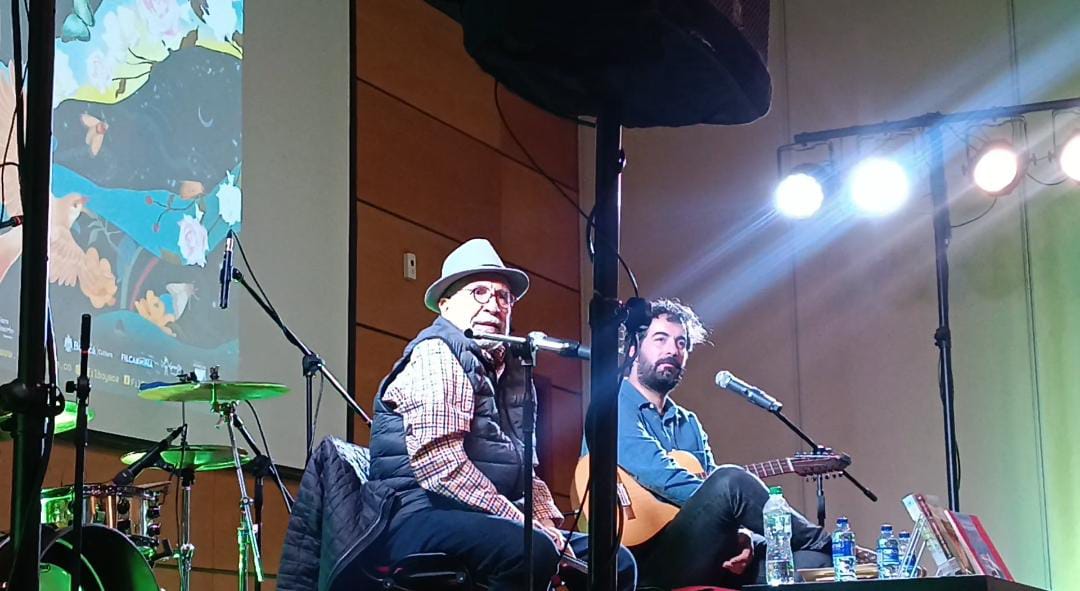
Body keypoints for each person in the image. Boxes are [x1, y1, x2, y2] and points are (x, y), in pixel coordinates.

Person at [366, 238, 637, 591]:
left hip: (485, 517)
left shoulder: (515, 371)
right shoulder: (437, 354)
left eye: (503, 297)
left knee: (613, 562)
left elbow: (530, 475)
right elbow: (440, 468)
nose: (495, 305)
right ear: (446, 305)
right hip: (418, 515)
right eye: (479, 292)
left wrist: (551, 527)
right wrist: (526, 524)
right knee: (531, 550)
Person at [616, 298, 833, 589]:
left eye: (682, 343)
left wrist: (742, 535)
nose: (673, 350)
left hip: (704, 553)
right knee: (730, 480)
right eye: (660, 339)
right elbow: (662, 475)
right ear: (633, 348)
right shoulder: (613, 408)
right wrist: (725, 494)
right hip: (643, 563)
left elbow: (712, 499)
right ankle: (834, 543)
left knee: (814, 562)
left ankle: (826, 550)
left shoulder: (688, 423)